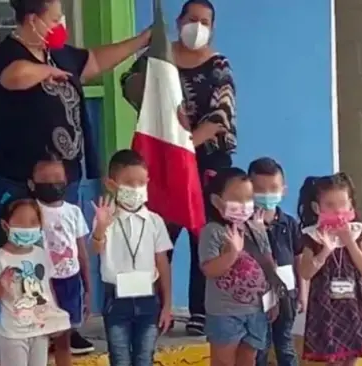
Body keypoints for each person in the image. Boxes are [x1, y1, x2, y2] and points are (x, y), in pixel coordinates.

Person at [0, 0, 151, 351]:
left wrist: (143, 39)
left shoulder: (59, 55)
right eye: (54, 17)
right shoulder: (8, 54)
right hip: (14, 177)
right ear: (33, 19)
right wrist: (45, 73)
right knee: (23, 254)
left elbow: (95, 61)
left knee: (61, 251)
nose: (61, 23)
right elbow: (14, 76)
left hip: (60, 180)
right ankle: (27, 329)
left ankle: (62, 327)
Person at [121, 0, 236, 335]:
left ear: (212, 27)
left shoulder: (218, 65)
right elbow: (129, 87)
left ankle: (201, 310)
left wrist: (187, 143)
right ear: (179, 20)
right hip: (164, 159)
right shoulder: (158, 56)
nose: (197, 26)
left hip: (206, 159)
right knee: (159, 233)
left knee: (204, 234)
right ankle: (156, 308)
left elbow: (221, 116)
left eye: (205, 21)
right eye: (191, 19)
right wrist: (152, 77)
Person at [90, 149, 173, 366]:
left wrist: (167, 305)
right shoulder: (105, 218)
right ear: (111, 184)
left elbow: (162, 263)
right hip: (116, 301)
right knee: (120, 359)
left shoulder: (155, 221)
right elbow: (96, 249)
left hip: (148, 300)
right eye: (128, 182)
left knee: (144, 358)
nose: (136, 188)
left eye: (141, 182)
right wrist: (100, 228)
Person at [199, 167, 277, 366]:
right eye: (236, 198)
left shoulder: (256, 228)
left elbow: (269, 265)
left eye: (248, 198)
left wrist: (273, 298)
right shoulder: (213, 231)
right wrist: (232, 253)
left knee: (248, 359)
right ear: (217, 201)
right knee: (223, 362)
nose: (243, 205)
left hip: (256, 310)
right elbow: (209, 269)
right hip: (225, 313)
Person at [0, 198, 71, 366]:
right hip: (14, 333)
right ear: (5, 226)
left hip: (40, 330)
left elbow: (48, 289)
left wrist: (55, 317)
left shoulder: (42, 254)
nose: (28, 228)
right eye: (21, 223)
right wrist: (1, 287)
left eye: (33, 222)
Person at [29, 154, 91, 366]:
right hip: (41, 284)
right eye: (45, 180)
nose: (52, 184)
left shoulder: (73, 212)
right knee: (40, 338)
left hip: (70, 282)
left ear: (66, 180)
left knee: (64, 337)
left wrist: (88, 288)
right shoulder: (30, 212)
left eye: (57, 179)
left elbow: (82, 252)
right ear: (32, 183)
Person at [297, 173, 362, 365]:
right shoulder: (312, 237)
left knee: (351, 355)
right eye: (330, 205)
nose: (337, 210)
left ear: (351, 204)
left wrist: (348, 241)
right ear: (317, 208)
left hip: (354, 304)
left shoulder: (357, 232)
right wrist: (325, 251)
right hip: (326, 306)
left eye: (342, 204)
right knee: (333, 358)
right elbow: (305, 272)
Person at [248, 158, 306, 366]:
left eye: (273, 188)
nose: (266, 194)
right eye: (259, 188)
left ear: (284, 190)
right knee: (260, 346)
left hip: (287, 295)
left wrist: (302, 293)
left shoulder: (289, 224)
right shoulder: (244, 225)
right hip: (256, 299)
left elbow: (299, 258)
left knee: (285, 344)